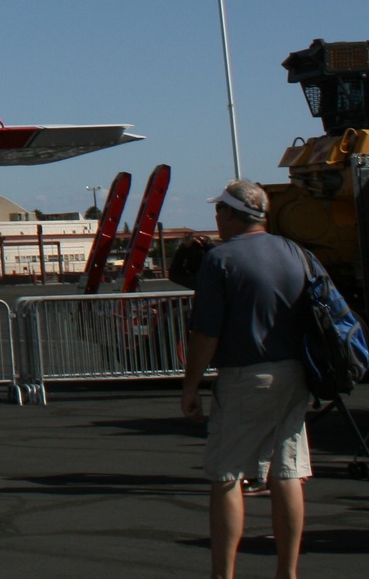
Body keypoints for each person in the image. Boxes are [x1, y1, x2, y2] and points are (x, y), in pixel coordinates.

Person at [180, 180, 313, 579]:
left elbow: (207, 332)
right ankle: (287, 573)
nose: (216, 218)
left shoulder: (220, 260)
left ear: (230, 214)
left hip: (245, 375)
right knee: (287, 472)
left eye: (219, 210)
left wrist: (191, 385)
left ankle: (223, 574)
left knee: (226, 475)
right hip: (295, 373)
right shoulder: (295, 252)